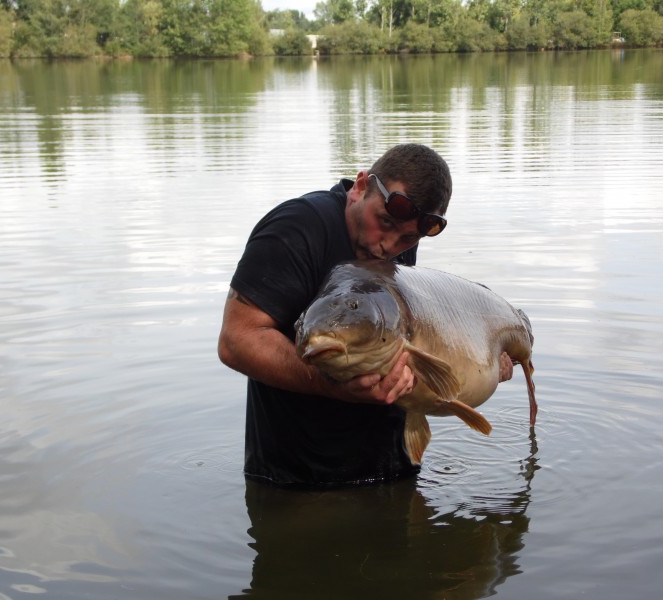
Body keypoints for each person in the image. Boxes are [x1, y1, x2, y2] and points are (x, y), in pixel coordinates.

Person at [218, 144, 512, 488]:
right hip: (297, 480)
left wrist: (487, 360)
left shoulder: (398, 239)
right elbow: (236, 340)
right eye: (383, 222)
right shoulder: (296, 230)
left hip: (391, 469)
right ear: (360, 187)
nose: (388, 245)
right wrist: (331, 385)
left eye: (408, 238)